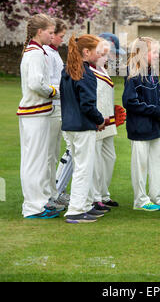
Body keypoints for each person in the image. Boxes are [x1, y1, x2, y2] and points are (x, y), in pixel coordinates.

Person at [17, 13, 59, 219]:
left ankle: (40, 202)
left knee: (39, 160)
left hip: (38, 112)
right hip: (34, 112)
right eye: (50, 32)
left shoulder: (37, 51)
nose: (52, 36)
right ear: (39, 32)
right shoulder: (34, 53)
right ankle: (33, 206)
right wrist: (56, 91)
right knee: (34, 161)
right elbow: (36, 84)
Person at [60, 34, 106, 224]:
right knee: (83, 168)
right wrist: (100, 119)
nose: (100, 54)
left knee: (82, 166)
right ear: (86, 52)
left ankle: (84, 205)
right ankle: (76, 210)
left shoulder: (67, 71)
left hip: (69, 125)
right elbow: (87, 105)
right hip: (82, 126)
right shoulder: (86, 73)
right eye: (97, 51)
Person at [122, 37, 160, 212]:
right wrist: (155, 111)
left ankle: (157, 195)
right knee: (140, 165)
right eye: (153, 52)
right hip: (139, 127)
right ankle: (140, 200)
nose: (156, 55)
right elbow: (130, 102)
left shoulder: (152, 73)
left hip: (155, 127)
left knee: (157, 162)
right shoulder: (133, 74)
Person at [90, 37, 120, 212]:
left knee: (109, 157)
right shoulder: (89, 70)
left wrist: (113, 112)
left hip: (108, 120)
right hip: (97, 120)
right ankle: (95, 198)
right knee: (95, 160)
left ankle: (103, 194)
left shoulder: (103, 70)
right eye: (104, 54)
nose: (107, 57)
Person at [43, 18, 68, 210]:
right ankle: (49, 194)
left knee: (55, 151)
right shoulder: (48, 54)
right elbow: (50, 81)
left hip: (60, 105)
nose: (61, 40)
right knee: (50, 154)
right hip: (53, 105)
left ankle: (54, 192)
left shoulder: (54, 53)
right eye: (60, 36)